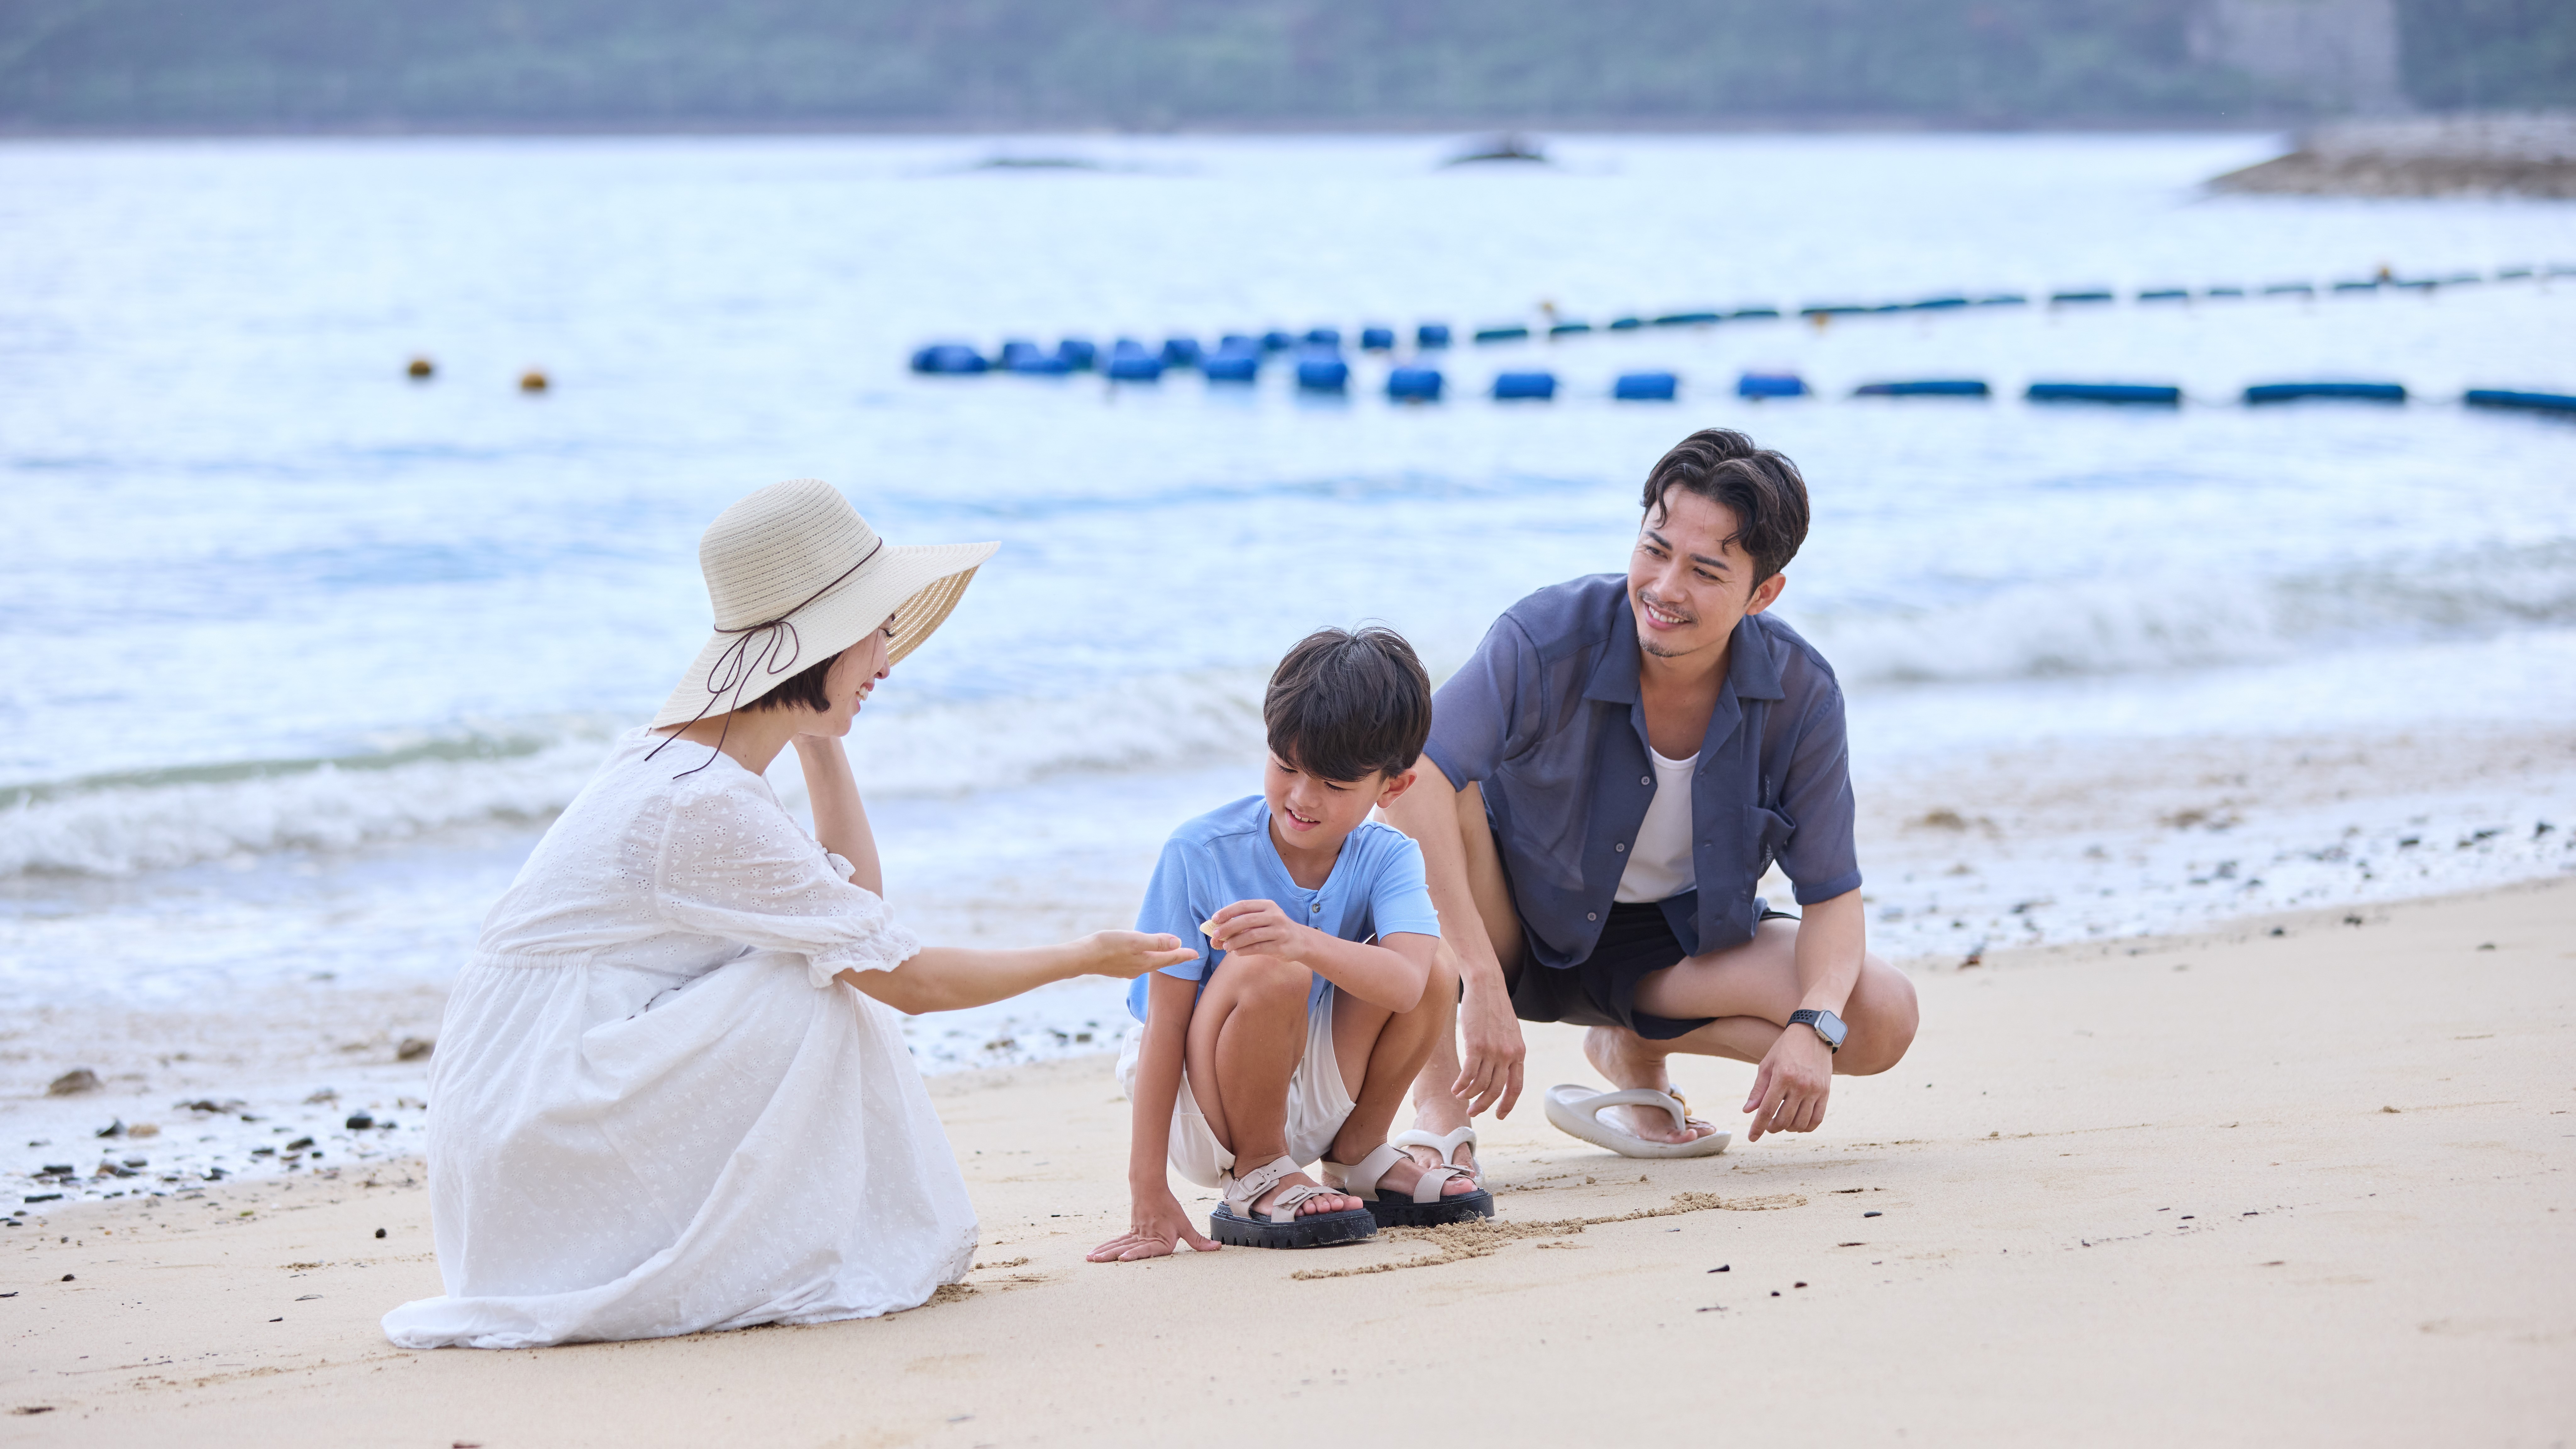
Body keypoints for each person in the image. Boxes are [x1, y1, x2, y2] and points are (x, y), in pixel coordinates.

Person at [382, 478, 1192, 1349]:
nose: (887, 662)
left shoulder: (693, 770)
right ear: (827, 637)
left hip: (517, 1126)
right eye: (879, 631)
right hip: (539, 1134)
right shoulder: (702, 805)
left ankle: (800, 1233)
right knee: (820, 983)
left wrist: (819, 740)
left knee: (827, 956)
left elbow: (858, 913)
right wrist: (1085, 955)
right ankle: (812, 1243)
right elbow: (908, 981)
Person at [1383, 428, 1919, 1179]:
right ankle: (1441, 1113)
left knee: (1882, 1018)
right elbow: (1408, 779)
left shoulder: (1800, 692)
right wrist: (1478, 977)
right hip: (1512, 920)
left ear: (1762, 594)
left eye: (1705, 571)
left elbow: (1832, 894)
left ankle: (1633, 1044)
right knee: (1436, 783)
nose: (1665, 589)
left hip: (1673, 946)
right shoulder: (1546, 637)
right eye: (1655, 550)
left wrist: (1811, 1027)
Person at [1088, 626, 1487, 1260]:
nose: (1301, 799)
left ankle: (1358, 1154)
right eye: (1286, 767)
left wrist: (1302, 940)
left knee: (1434, 963)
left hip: (1310, 1082)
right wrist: (1147, 1189)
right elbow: (1161, 1024)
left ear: (1393, 787)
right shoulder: (1200, 851)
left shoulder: (1387, 856)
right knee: (1272, 970)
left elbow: (1412, 984)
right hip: (1204, 1108)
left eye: (1334, 786)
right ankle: (1258, 1170)